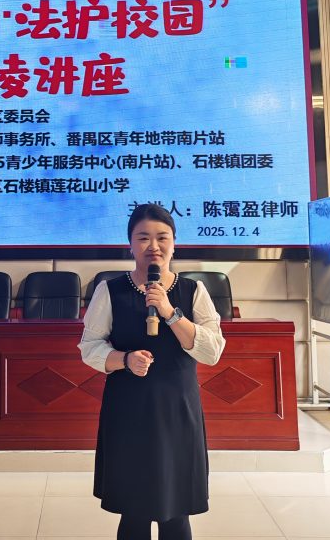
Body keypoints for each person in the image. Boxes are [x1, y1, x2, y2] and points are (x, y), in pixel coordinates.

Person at [78, 203, 226, 540]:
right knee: (133, 511)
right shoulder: (110, 290)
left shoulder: (193, 291)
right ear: (130, 245)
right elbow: (89, 348)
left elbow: (212, 351)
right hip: (128, 410)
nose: (153, 246)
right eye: (143, 238)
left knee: (176, 511)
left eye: (162, 237)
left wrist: (169, 312)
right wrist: (124, 359)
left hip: (178, 411)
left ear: (174, 243)